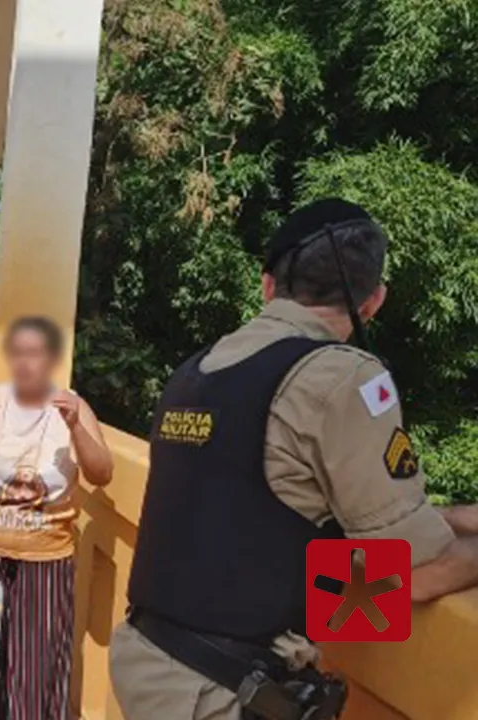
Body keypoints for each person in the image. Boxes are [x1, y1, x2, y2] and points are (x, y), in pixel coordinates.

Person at [109, 198, 478, 720]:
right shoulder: (340, 376)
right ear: (373, 300)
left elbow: (265, 513)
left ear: (267, 286)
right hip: (217, 693)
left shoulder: (197, 370)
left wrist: (457, 518)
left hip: (148, 659)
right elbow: (415, 572)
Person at [0, 316, 114, 719]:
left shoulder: (72, 405)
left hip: (48, 565)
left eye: (37, 354)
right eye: (19, 353)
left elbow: (101, 472)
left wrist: (76, 426)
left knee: (36, 672)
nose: (27, 363)